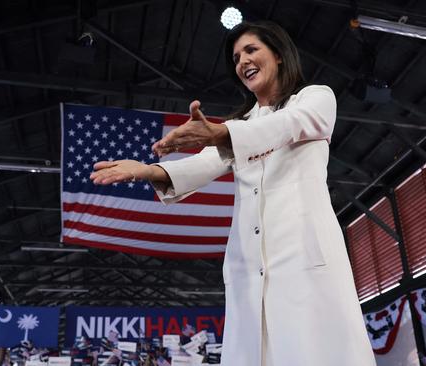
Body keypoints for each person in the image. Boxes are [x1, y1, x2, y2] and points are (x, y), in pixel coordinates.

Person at [90, 21, 376, 366]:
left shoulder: (315, 99)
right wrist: (148, 170)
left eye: (251, 50)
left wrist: (221, 132)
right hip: (248, 266)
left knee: (314, 351)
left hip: (305, 258)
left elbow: (286, 126)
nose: (242, 61)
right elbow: (205, 162)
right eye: (237, 57)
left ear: (280, 55)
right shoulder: (239, 127)